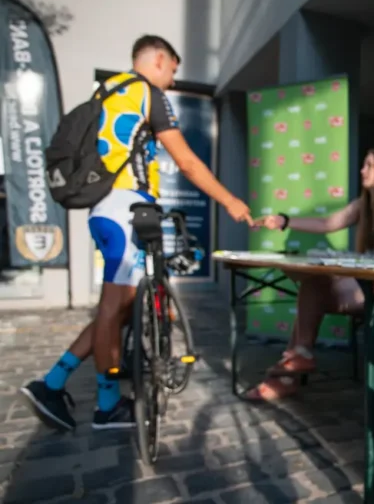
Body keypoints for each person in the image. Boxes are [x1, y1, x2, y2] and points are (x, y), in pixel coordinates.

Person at [19, 35, 254, 432]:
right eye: (173, 71)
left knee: (123, 304)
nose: (174, 82)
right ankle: (106, 405)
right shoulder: (147, 92)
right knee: (114, 305)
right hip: (127, 208)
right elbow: (187, 161)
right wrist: (229, 201)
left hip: (107, 210)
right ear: (159, 59)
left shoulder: (111, 91)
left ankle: (54, 381)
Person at [245, 149, 374, 401]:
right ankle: (300, 357)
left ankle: (290, 372)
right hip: (366, 287)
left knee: (316, 290)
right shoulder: (362, 204)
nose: (362, 170)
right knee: (315, 283)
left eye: (369, 165)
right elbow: (326, 224)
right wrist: (284, 221)